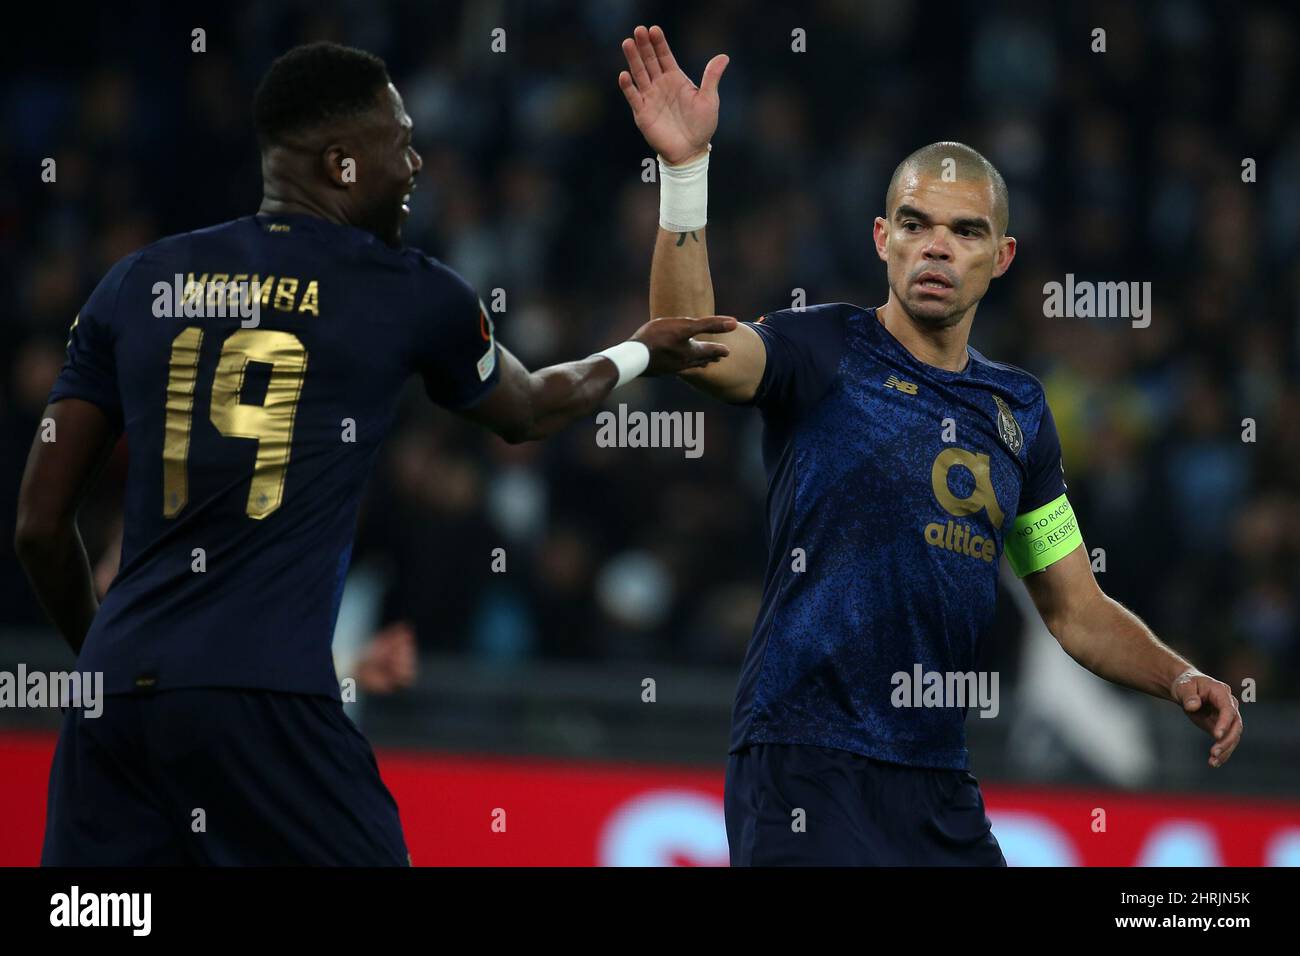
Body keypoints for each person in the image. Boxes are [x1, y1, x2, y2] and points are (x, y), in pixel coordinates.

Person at [15, 41, 735, 866]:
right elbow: (532, 408)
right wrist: (641, 351)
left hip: (114, 701)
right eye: (401, 139)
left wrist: (105, 663)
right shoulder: (405, 288)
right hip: (268, 701)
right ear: (342, 161)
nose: (417, 160)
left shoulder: (136, 280)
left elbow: (39, 525)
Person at [618, 23, 1243, 866]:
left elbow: (1073, 607)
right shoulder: (821, 348)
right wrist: (687, 172)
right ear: (883, 240)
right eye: (915, 223)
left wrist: (1177, 676)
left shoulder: (1018, 411)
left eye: (965, 230)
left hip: (936, 781)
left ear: (1002, 256)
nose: (937, 245)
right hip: (806, 761)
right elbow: (687, 349)